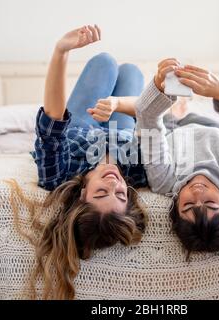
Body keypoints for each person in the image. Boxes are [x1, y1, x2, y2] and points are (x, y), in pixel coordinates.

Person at [13, 25, 149, 300]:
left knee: (105, 62)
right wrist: (119, 104)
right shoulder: (140, 173)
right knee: (132, 71)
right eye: (120, 193)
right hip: (121, 130)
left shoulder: (58, 176)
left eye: (102, 192)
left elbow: (51, 124)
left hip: (81, 124)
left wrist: (61, 50)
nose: (114, 183)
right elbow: (154, 115)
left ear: (83, 195)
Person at [134, 58, 219, 259]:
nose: (198, 194)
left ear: (176, 207)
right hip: (212, 125)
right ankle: (183, 106)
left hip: (173, 127)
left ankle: (179, 108)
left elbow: (147, 117)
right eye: (210, 204)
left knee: (156, 112)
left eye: (188, 206)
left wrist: (159, 85)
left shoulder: (164, 182)